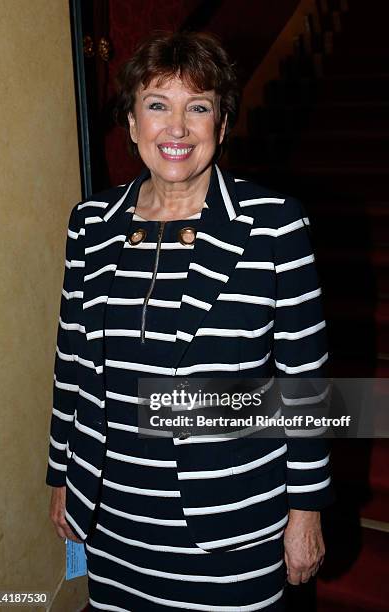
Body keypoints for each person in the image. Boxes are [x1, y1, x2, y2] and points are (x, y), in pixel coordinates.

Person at [46, 30, 334, 611]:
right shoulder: (91, 223)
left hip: (227, 524)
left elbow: (307, 384)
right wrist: (60, 477)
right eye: (157, 105)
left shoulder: (273, 224)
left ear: (221, 126)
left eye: (197, 107)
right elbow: (72, 365)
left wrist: (306, 511)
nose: (176, 128)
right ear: (131, 123)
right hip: (112, 512)